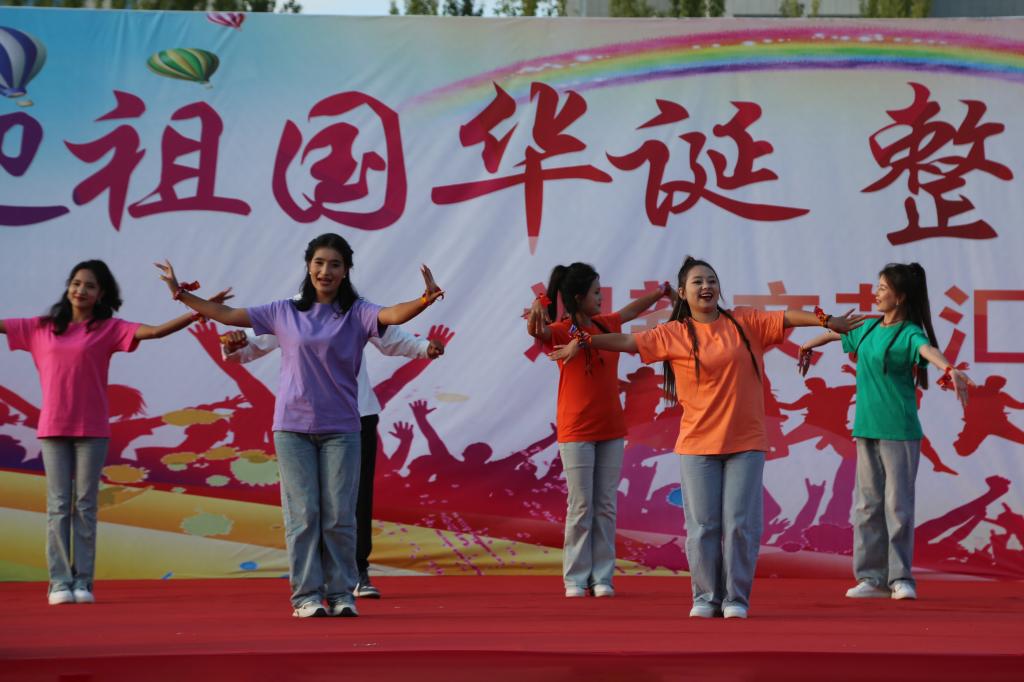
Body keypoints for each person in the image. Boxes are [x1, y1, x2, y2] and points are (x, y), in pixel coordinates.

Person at [549, 256, 863, 618]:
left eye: (711, 280)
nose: (706, 287)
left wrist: (826, 320)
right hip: (698, 446)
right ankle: (706, 597)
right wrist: (585, 342)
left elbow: (787, 317)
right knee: (702, 528)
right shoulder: (674, 333)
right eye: (697, 282)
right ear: (683, 292)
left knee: (740, 525)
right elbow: (629, 341)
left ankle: (735, 599)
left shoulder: (744, 321)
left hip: (746, 443)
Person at [155, 233, 443, 618]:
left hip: (343, 428)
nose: (326, 271)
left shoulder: (357, 312)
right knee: (304, 515)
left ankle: (341, 594)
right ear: (308, 266)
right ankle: (306, 596)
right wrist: (180, 293)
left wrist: (424, 300)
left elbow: (392, 316)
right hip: (292, 429)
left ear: (346, 271)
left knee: (340, 516)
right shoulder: (283, 311)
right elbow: (228, 314)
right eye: (319, 263)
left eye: (335, 264)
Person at [1, 259, 230, 606]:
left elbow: (156, 332)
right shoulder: (41, 327)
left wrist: (200, 310)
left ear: (101, 294)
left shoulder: (108, 329)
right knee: (59, 506)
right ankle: (59, 582)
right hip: (53, 428)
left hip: (92, 429)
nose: (81, 290)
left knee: (85, 504)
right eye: (76, 283)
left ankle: (82, 581)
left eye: (89, 286)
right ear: (68, 287)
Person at [219, 320, 447, 599]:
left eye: (334, 273)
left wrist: (423, 348)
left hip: (355, 415)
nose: (326, 279)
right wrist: (234, 345)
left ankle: (355, 572)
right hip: (304, 419)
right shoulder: (292, 312)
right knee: (307, 502)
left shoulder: (357, 310)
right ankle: (313, 582)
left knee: (354, 497)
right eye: (319, 274)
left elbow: (390, 337)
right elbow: (253, 344)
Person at [798, 262, 972, 601]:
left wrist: (949, 369)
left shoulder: (909, 332)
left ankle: (900, 578)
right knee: (867, 506)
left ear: (900, 296)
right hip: (866, 428)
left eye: (882, 288)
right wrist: (808, 344)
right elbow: (836, 334)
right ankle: (871, 578)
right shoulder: (867, 327)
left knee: (897, 507)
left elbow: (927, 350)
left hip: (900, 430)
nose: (876, 293)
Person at [528, 262, 673, 598]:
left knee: (605, 505)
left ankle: (602, 576)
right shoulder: (561, 331)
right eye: (596, 292)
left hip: (610, 428)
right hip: (576, 430)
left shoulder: (606, 325)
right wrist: (538, 308)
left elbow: (631, 311)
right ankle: (576, 578)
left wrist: (660, 293)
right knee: (581, 506)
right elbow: (539, 332)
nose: (601, 298)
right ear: (579, 297)